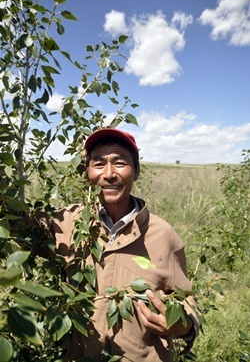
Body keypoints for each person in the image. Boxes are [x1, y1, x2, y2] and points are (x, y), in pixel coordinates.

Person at [43, 128, 200, 361]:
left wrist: (183, 327)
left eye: (119, 163)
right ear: (87, 172)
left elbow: (186, 299)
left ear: (136, 171)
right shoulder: (67, 222)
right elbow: (19, 224)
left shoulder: (163, 235)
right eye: (98, 164)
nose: (109, 174)